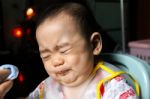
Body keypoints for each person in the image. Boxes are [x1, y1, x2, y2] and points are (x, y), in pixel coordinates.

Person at [0, 2, 138, 99]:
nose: (56, 61)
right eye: (46, 56)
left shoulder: (111, 85)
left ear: (94, 44)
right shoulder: (48, 86)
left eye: (64, 50)